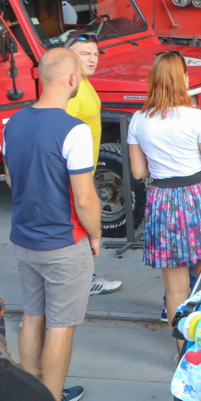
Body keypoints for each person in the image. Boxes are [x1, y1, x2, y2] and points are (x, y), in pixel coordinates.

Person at [5, 49, 99, 401]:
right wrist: (96, 234)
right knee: (61, 327)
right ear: (73, 79)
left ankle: (31, 395)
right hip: (63, 242)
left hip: (24, 239)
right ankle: (52, 396)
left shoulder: (13, 122)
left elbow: (13, 180)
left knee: (32, 316)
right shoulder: (73, 130)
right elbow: (85, 197)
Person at [127, 50, 201, 353]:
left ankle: (182, 353)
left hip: (161, 199)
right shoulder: (198, 117)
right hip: (197, 197)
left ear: (153, 80)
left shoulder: (139, 119)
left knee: (175, 289)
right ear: (184, 78)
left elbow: (138, 171)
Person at [63, 34, 121, 298]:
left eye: (95, 54)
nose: (92, 58)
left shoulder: (84, 82)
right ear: (68, 57)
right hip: (75, 172)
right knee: (79, 224)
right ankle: (83, 281)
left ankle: (84, 278)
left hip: (86, 168)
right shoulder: (70, 92)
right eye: (84, 53)